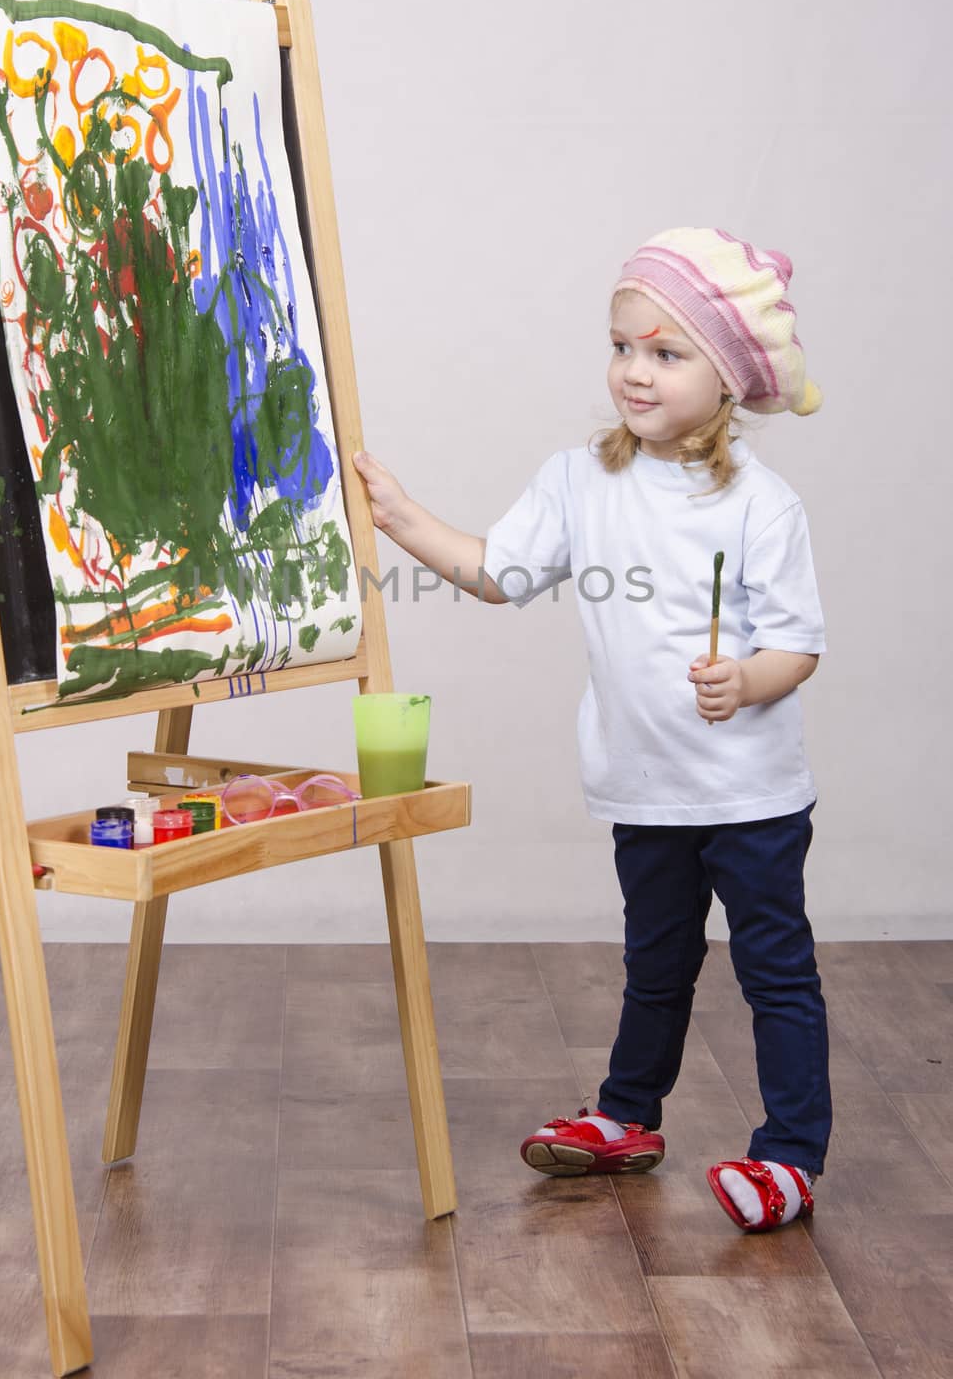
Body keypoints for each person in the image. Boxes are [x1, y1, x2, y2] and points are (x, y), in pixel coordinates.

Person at [351, 225, 830, 1233]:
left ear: (730, 377)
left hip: (748, 798)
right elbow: (499, 574)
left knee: (771, 971)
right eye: (621, 347)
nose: (632, 371)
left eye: (664, 352)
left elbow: (796, 647)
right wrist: (403, 519)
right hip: (642, 786)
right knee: (653, 964)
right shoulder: (579, 480)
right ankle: (627, 1117)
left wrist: (743, 680)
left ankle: (788, 1153)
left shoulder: (760, 505)